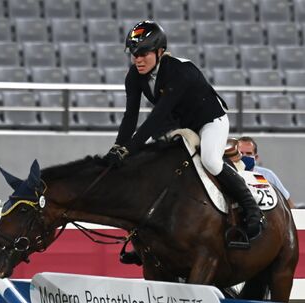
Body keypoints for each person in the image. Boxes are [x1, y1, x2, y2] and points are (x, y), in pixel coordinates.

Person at [106, 20, 265, 253]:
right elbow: (130, 117)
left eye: (143, 53)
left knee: (210, 160)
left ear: (160, 52)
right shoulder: (134, 76)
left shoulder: (178, 71)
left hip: (210, 121)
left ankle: (252, 209)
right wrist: (118, 147)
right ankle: (150, 236)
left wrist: (129, 149)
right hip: (179, 123)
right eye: (133, 54)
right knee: (151, 162)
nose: (137, 59)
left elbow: (157, 117)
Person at [238, 136, 295, 208]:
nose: (244, 156)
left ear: (256, 157)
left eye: (249, 153)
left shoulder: (266, 175)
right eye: (240, 153)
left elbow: (287, 201)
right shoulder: (229, 175)